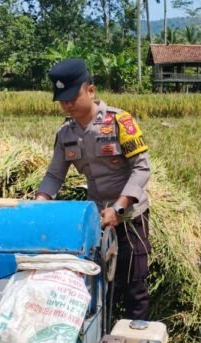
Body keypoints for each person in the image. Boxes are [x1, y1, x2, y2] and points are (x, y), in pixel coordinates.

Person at [36, 58, 151, 320]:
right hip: (96, 219)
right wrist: (40, 203)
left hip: (130, 216)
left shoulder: (120, 122)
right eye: (61, 99)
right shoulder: (66, 133)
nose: (66, 104)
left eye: (72, 97)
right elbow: (55, 175)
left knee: (134, 284)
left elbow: (142, 168)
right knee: (96, 283)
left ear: (90, 90)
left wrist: (118, 208)